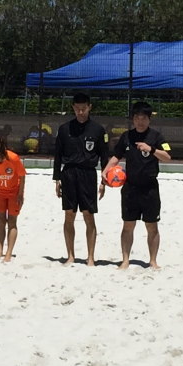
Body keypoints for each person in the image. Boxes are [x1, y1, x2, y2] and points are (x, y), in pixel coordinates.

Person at [50, 92, 108, 265]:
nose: (80, 112)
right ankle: (70, 255)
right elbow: (57, 156)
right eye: (77, 109)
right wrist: (57, 179)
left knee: (88, 215)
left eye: (83, 108)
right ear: (73, 108)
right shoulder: (64, 129)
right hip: (68, 173)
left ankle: (91, 257)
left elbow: (104, 157)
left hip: (88, 174)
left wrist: (104, 181)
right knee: (69, 214)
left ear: (90, 107)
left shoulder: (98, 130)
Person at [111, 103, 169, 270]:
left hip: (150, 188)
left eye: (143, 118)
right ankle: (125, 260)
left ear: (149, 119)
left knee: (152, 226)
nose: (140, 121)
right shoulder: (126, 136)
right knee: (128, 225)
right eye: (137, 118)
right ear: (133, 119)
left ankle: (153, 261)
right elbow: (116, 156)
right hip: (130, 187)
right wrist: (105, 172)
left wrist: (151, 149)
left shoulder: (157, 136)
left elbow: (167, 156)